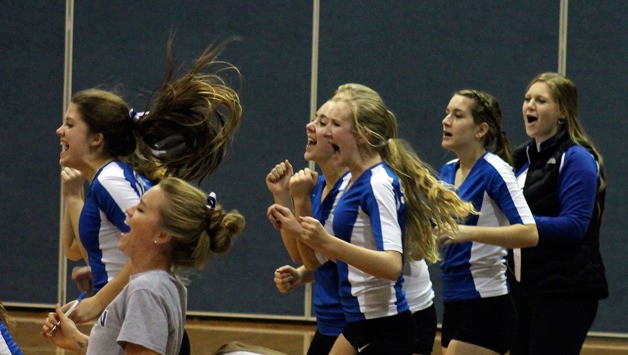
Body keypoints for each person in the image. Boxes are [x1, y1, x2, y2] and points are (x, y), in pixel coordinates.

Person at [56, 37, 243, 324]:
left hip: (136, 316)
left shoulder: (112, 180)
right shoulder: (104, 179)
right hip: (124, 314)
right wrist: (72, 198)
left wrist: (98, 301)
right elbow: (76, 250)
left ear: (96, 139)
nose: (60, 131)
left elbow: (153, 249)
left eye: (70, 124)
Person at [277, 83, 474, 354]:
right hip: (359, 321)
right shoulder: (348, 183)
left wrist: (327, 242)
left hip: (387, 324)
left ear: (362, 136)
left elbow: (393, 265)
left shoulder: (379, 183)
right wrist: (297, 227)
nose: (323, 130)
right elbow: (318, 260)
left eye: (333, 123)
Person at [42, 177, 245, 354]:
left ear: (162, 235)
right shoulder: (158, 284)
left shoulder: (146, 291)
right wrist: (77, 340)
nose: (128, 211)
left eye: (140, 209)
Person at [509, 72, 608, 355]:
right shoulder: (520, 158)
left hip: (565, 292)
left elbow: (575, 225)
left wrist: (518, 227)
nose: (530, 105)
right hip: (524, 289)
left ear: (562, 112)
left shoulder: (577, 157)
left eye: (541, 100)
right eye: (528, 99)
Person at [435, 90, 538, 355]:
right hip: (454, 300)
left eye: (457, 116)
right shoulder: (447, 171)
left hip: (487, 303)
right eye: (447, 113)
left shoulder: (496, 170)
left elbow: (529, 233)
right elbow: (444, 231)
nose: (446, 121)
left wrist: (467, 232)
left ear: (481, 129)